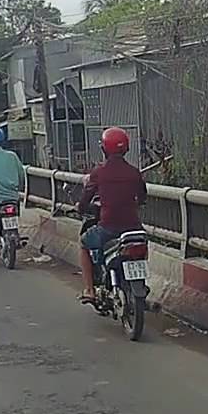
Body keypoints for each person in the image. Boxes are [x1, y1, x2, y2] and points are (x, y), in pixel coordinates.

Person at [76, 127, 147, 304]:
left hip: (109, 228)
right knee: (142, 246)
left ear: (104, 149)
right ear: (126, 149)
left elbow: (86, 198)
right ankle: (141, 283)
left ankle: (89, 290)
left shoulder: (99, 172)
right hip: (133, 227)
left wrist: (80, 208)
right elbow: (142, 198)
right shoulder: (134, 172)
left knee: (84, 244)